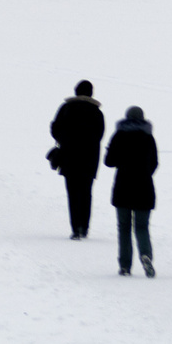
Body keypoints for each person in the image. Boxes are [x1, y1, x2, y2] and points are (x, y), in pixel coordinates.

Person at [103, 106, 159, 276]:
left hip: (123, 187)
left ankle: (125, 266)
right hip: (144, 187)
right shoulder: (149, 137)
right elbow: (154, 163)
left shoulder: (119, 135)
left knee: (124, 228)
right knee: (142, 227)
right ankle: (146, 255)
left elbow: (109, 161)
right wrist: (144, 173)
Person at [49, 80, 107, 239]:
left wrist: (64, 140)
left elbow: (55, 129)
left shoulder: (66, 108)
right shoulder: (97, 112)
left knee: (73, 193)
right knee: (86, 193)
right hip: (90, 158)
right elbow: (100, 135)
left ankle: (75, 228)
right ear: (91, 93)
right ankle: (84, 227)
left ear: (76, 91)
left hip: (69, 157)